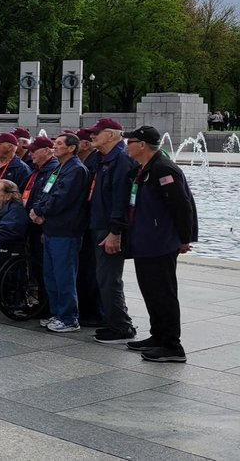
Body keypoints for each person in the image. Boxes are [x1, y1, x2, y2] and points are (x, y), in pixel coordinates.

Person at [122, 125, 197, 362]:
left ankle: (173, 345)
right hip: (146, 240)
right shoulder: (145, 168)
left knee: (163, 293)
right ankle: (158, 336)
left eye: (130, 142)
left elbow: (181, 206)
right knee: (151, 291)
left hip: (160, 242)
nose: (126, 146)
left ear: (142, 145)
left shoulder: (163, 168)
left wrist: (184, 239)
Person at [30, 132, 90, 333]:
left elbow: (62, 198)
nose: (54, 146)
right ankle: (57, 313)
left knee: (64, 275)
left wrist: (40, 212)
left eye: (59, 143)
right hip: (51, 229)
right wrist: (37, 209)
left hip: (66, 230)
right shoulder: (59, 168)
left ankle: (69, 318)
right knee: (51, 275)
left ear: (71, 148)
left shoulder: (76, 170)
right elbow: (46, 192)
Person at [86, 117, 138, 344]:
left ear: (111, 135)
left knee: (109, 279)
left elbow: (121, 200)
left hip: (109, 228)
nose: (92, 136)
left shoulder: (121, 159)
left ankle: (121, 327)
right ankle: (114, 321)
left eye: (96, 133)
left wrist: (115, 231)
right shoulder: (101, 157)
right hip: (98, 224)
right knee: (103, 278)